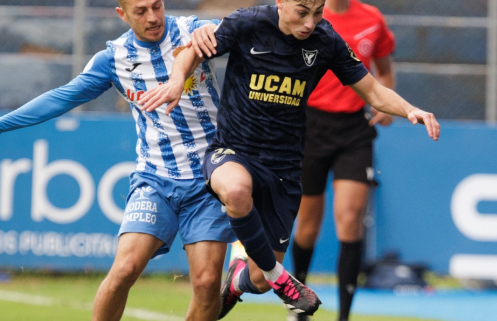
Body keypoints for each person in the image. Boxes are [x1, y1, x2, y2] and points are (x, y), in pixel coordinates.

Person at [137, 0, 440, 319]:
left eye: (318, 11)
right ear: (281, 3)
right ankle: (278, 275)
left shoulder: (326, 40)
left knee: (258, 281)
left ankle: (246, 277)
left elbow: (373, 91)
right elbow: (192, 49)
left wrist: (410, 109)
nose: (310, 22)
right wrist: (176, 80)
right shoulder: (247, 22)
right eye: (302, 11)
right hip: (233, 150)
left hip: (284, 167)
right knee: (237, 192)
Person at [0, 1, 236, 320]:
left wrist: (221, 26)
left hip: (210, 178)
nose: (153, 17)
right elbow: (63, 96)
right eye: (141, 11)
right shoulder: (114, 58)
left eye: (157, 5)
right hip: (156, 179)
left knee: (208, 282)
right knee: (125, 268)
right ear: (121, 15)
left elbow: (238, 29)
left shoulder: (190, 31)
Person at [290, 0, 396, 320]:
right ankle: (299, 306)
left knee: (350, 221)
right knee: (308, 225)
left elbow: (385, 71)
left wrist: (385, 101)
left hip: (354, 129)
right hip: (311, 126)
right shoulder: (304, 16)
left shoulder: (372, 18)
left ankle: (344, 315)